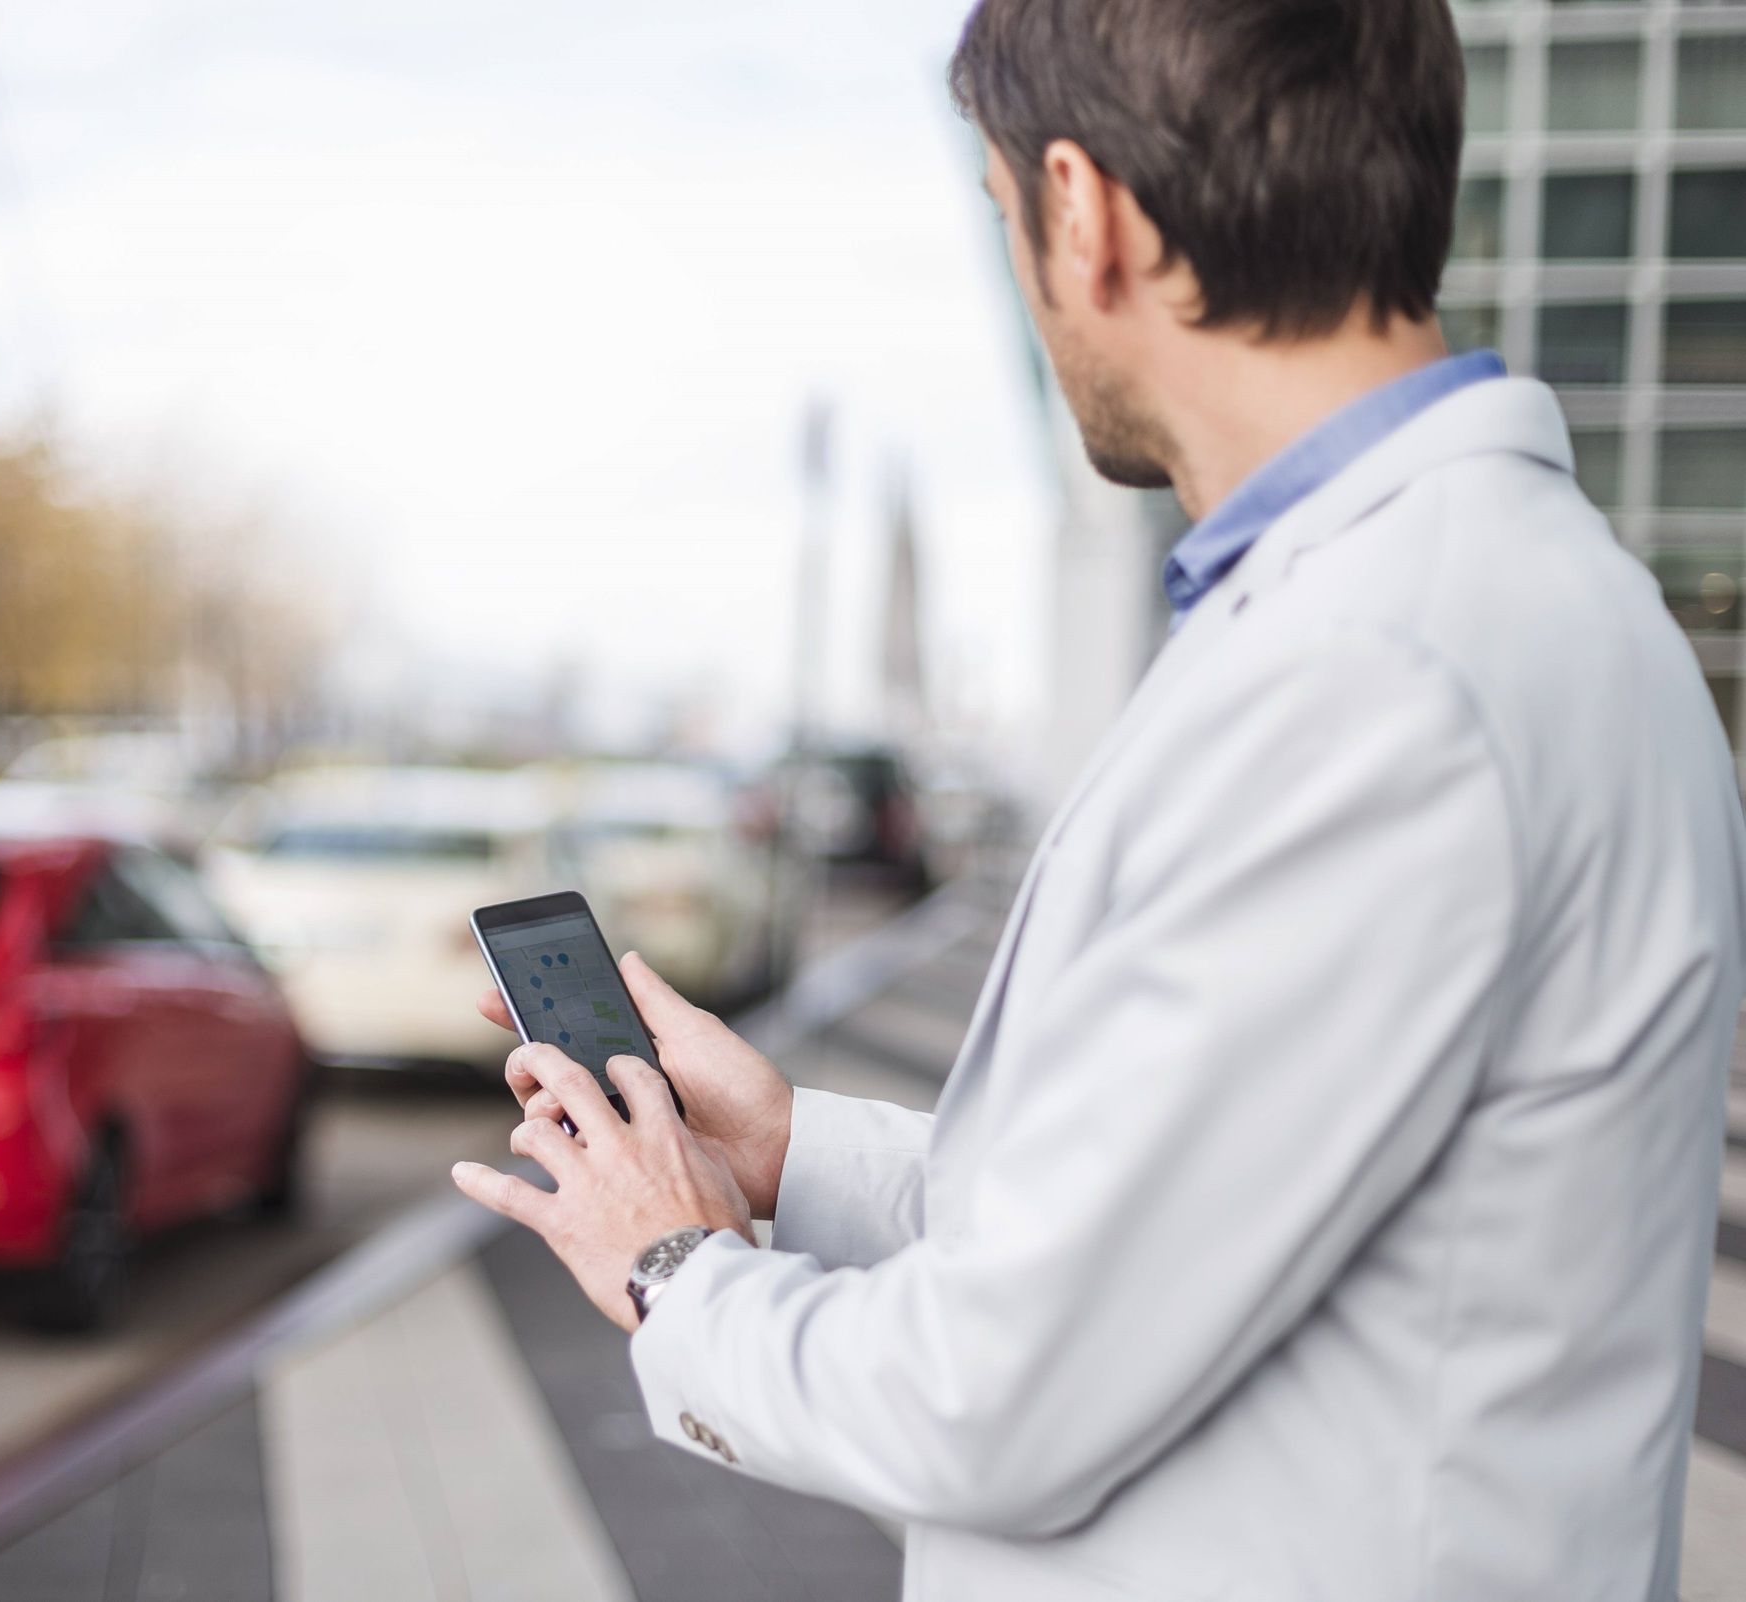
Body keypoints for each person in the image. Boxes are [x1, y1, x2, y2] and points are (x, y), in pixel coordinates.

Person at [448, 1, 1746, 1596]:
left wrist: (674, 1267)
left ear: (1087, 210)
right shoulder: (1490, 611)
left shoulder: (1379, 682)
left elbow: (992, 1390)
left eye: (1006, 217)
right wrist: (790, 1147)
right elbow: (1161, 1214)